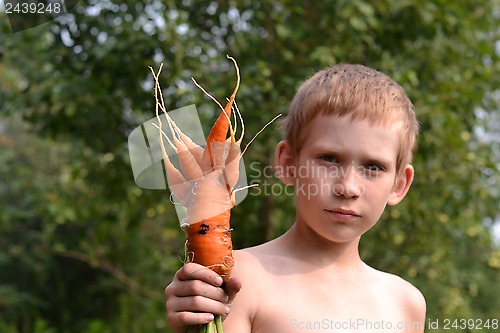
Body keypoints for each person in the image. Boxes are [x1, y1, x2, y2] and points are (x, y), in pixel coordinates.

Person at [164, 64, 426, 333]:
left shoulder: (406, 304)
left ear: (399, 184)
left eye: (373, 167)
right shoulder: (239, 281)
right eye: (329, 159)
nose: (348, 187)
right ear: (288, 164)